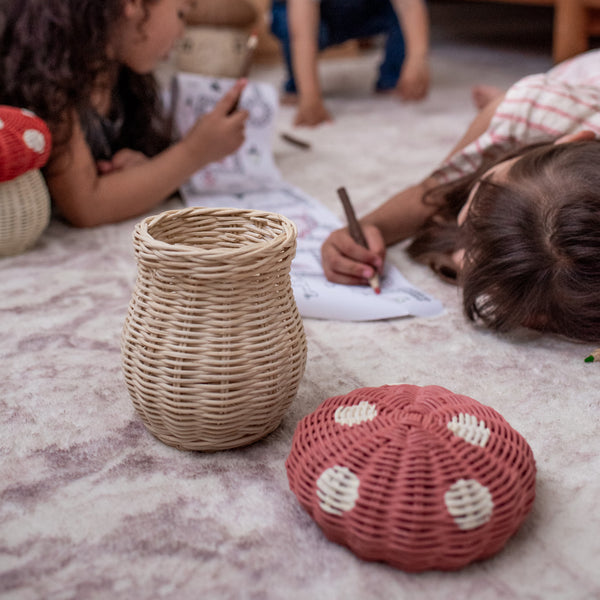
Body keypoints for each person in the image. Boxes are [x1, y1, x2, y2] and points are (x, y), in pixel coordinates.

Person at [321, 49, 600, 342]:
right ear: (569, 139)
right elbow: (434, 191)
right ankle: (492, 105)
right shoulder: (526, 108)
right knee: (500, 111)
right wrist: (371, 226)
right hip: (579, 79)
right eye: (478, 195)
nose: (461, 224)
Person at [0, 0, 249, 227]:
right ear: (132, 4)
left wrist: (138, 170)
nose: (181, 33)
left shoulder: (117, 70)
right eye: (181, 13)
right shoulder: (49, 72)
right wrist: (196, 151)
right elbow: (86, 207)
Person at [270, 0, 430, 126]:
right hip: (311, 18)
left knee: (408, 13)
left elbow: (409, 5)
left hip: (360, 11)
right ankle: (298, 86)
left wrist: (417, 59)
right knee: (289, 21)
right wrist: (310, 96)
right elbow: (302, 34)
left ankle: (394, 76)